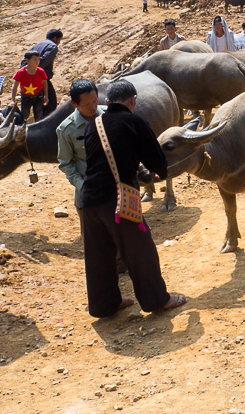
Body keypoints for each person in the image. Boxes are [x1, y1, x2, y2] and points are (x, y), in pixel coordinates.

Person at [79, 79, 186, 317]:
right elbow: (157, 162)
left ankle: (104, 305)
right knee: (141, 250)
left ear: (107, 102)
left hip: (88, 199)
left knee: (99, 256)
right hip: (117, 201)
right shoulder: (135, 122)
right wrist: (159, 172)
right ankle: (159, 300)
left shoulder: (92, 125)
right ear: (133, 101)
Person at [57, 78, 97, 209]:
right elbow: (66, 164)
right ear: (74, 104)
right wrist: (82, 185)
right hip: (87, 194)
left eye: (95, 101)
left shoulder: (109, 115)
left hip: (114, 191)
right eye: (87, 104)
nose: (93, 106)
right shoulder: (66, 129)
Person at [25, 29, 62, 117]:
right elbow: (42, 62)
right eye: (59, 40)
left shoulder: (37, 45)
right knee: (50, 104)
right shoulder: (53, 46)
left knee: (38, 104)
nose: (59, 43)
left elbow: (25, 60)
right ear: (55, 38)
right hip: (40, 79)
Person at [10, 50, 49, 123]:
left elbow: (45, 82)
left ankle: (38, 129)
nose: (37, 62)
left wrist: (46, 96)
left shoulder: (40, 71)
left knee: (39, 114)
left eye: (38, 59)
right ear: (27, 60)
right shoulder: (21, 72)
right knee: (24, 115)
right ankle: (23, 128)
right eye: (34, 59)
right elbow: (15, 86)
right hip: (25, 98)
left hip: (38, 96)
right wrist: (13, 99)